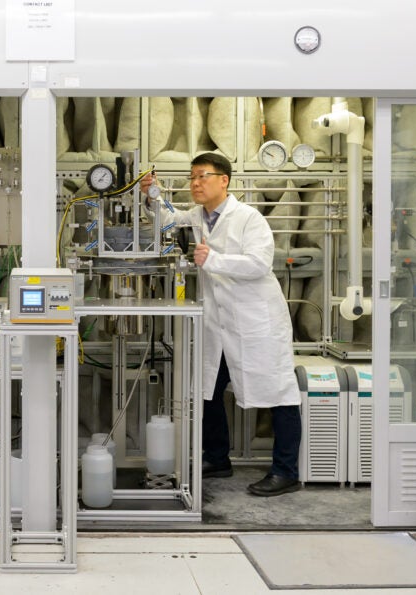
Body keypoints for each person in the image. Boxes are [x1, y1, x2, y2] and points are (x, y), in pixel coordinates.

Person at [141, 152, 302, 497]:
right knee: (209, 389)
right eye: (192, 177)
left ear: (224, 180)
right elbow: (169, 219)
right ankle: (217, 458)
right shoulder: (197, 216)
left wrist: (213, 259)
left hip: (257, 323)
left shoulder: (249, 218)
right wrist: (151, 196)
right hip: (221, 324)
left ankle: (286, 471)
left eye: (203, 176)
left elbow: (259, 264)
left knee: (279, 394)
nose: (195, 183)